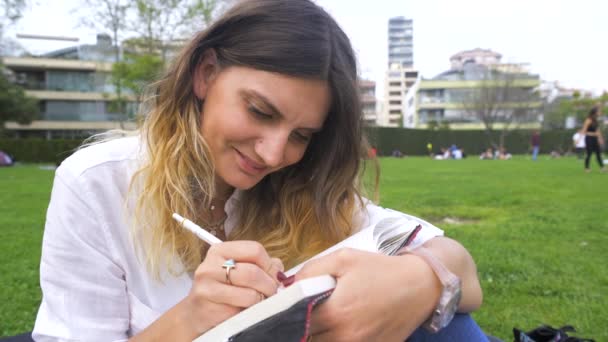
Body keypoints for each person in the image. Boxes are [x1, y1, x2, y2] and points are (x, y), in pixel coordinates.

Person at [32, 1, 485, 341]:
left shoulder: (302, 187)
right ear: (206, 74)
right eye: (260, 111)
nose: (273, 155)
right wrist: (192, 317)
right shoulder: (97, 184)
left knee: (451, 325)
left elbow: (461, 267)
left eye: (302, 136)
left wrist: (421, 278)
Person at [581, 106, 605, 173]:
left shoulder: (596, 120)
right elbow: (583, 131)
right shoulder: (588, 120)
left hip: (595, 139)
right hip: (589, 139)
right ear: (595, 112)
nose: (600, 112)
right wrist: (593, 134)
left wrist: (600, 138)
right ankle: (587, 168)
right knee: (589, 153)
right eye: (599, 111)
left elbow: (598, 131)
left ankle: (602, 167)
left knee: (598, 153)